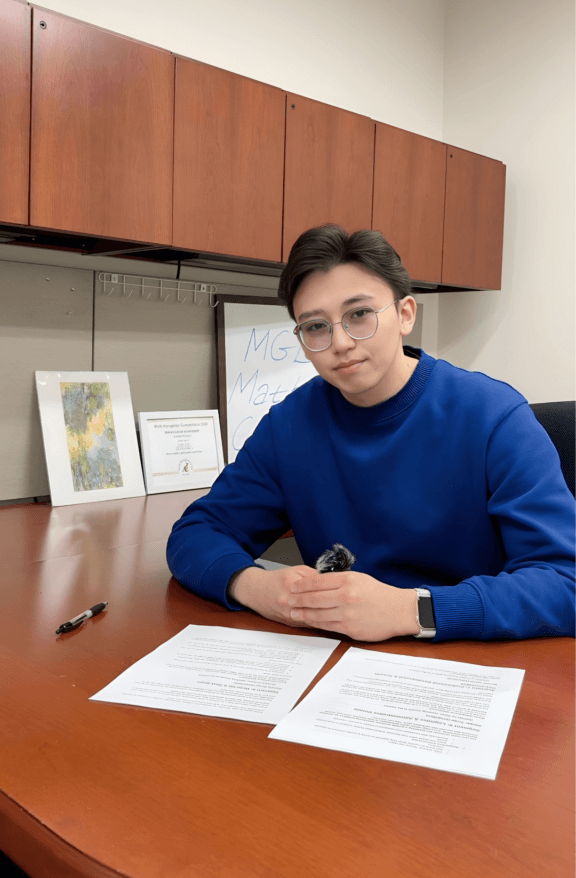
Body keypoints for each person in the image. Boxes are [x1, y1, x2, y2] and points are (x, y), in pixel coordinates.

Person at [167, 225, 575, 642]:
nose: (339, 342)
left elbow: (565, 581)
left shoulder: (494, 416)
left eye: (359, 314)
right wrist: (257, 587)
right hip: (338, 662)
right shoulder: (289, 425)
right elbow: (197, 532)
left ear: (404, 315)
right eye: (315, 326)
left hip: (471, 655)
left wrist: (413, 610)